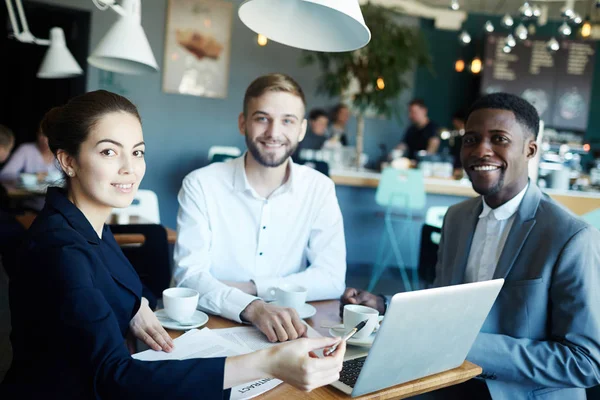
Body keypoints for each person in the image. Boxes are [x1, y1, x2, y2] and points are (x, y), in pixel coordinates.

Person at [3, 90, 345, 399]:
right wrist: (268, 362)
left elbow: (103, 287)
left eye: (137, 152)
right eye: (109, 151)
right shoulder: (62, 249)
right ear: (68, 160)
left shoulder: (87, 225)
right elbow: (114, 378)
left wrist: (132, 306)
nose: (129, 168)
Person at [341, 93, 600, 399]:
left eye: (499, 139)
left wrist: (462, 344)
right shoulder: (456, 217)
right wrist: (386, 305)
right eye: (471, 139)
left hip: (521, 392)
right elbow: (444, 300)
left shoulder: (571, 235)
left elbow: (585, 362)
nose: (481, 151)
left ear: (530, 150)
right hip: (447, 379)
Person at [174, 73, 346, 343]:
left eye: (287, 121)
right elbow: (189, 277)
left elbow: (332, 278)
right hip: (212, 330)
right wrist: (253, 307)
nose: (274, 133)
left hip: (290, 333)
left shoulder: (319, 188)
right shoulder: (201, 184)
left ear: (301, 129)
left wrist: (254, 287)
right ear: (243, 123)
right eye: (262, 118)